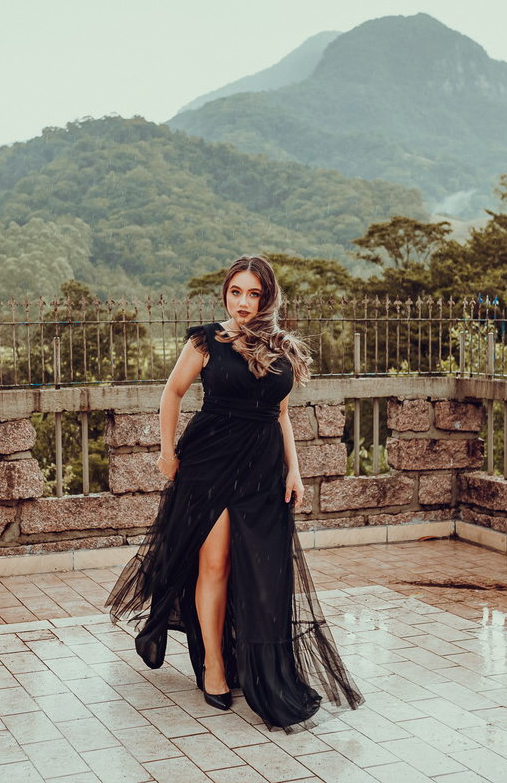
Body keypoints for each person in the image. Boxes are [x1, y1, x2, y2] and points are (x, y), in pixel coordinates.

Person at [107, 255, 364, 733]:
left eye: (253, 294)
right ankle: (214, 666)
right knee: (216, 564)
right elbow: (172, 393)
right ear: (225, 293)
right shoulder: (206, 341)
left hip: (264, 470)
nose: (243, 302)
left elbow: (280, 414)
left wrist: (295, 471)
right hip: (210, 464)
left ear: (267, 297)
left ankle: (258, 665)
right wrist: (167, 452)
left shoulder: (280, 346)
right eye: (235, 292)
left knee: (263, 571)